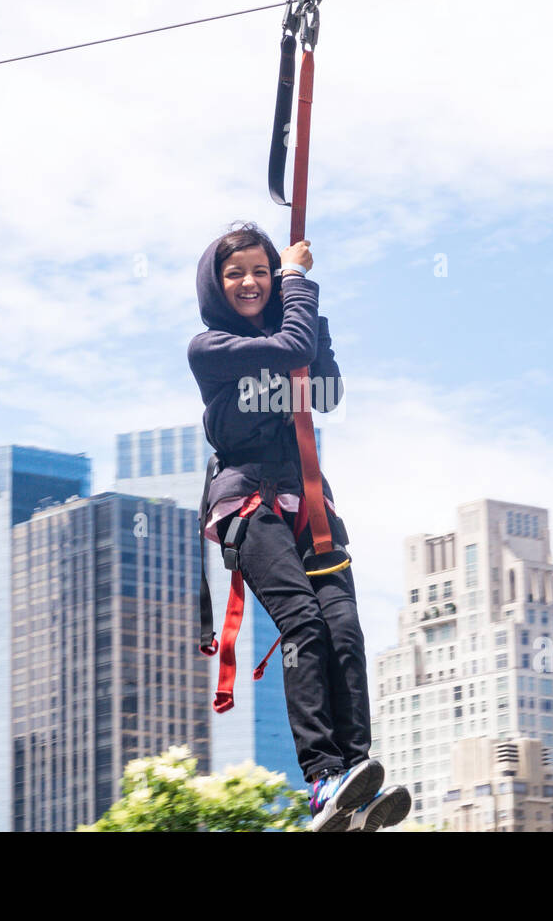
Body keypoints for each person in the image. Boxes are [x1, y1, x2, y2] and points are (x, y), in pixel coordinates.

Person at [187, 222, 410, 831]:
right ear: (217, 283)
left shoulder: (293, 332)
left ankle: (355, 777)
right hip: (249, 504)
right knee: (304, 623)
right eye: (237, 274)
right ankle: (321, 777)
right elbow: (287, 353)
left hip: (308, 500)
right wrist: (296, 284)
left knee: (345, 631)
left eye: (261, 271)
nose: (250, 282)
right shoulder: (209, 347)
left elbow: (328, 392)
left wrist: (309, 316)